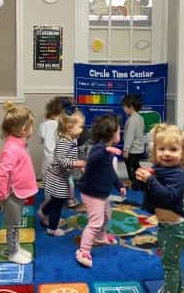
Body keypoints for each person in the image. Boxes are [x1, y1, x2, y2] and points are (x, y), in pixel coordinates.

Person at [135, 124, 184, 293]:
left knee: (169, 264)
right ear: (155, 152)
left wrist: (150, 181)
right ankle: (179, 289)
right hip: (166, 226)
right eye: (162, 149)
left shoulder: (178, 175)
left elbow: (167, 196)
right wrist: (142, 180)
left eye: (173, 149)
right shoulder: (159, 170)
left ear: (182, 153)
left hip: (177, 229)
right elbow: (150, 192)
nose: (166, 153)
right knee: (173, 262)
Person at [75, 114, 126, 268]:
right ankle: (83, 250)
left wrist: (119, 185)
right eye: (118, 131)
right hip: (92, 194)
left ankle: (100, 237)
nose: (120, 134)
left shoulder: (107, 151)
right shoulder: (100, 149)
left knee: (107, 216)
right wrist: (106, 150)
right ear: (111, 133)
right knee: (95, 223)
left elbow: (110, 171)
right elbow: (93, 159)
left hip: (102, 193)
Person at [0, 102, 38, 264]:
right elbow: (3, 172)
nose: (33, 129)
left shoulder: (19, 144)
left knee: (16, 223)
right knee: (13, 224)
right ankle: (13, 252)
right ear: (24, 129)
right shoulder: (11, 148)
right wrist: (0, 194)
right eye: (31, 125)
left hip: (17, 192)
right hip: (10, 194)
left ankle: (16, 248)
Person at [39, 107, 86, 236]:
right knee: (58, 203)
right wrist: (78, 163)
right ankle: (52, 228)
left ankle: (43, 211)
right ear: (69, 127)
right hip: (56, 178)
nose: (82, 129)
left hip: (60, 176)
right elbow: (61, 160)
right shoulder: (64, 142)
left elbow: (70, 158)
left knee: (55, 200)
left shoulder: (70, 140)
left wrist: (79, 165)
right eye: (80, 127)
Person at [38, 96, 76, 212]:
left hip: (49, 159)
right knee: (68, 179)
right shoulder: (66, 126)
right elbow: (72, 142)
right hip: (63, 158)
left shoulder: (43, 125)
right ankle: (71, 200)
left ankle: (48, 203)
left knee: (49, 183)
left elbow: (42, 139)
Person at [122, 93, 145, 190]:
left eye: (124, 107)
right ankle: (142, 181)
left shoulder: (132, 120)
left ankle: (136, 185)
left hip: (132, 149)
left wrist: (126, 150)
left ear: (130, 107)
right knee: (136, 167)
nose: (123, 109)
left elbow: (129, 136)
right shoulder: (140, 118)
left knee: (131, 168)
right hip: (139, 148)